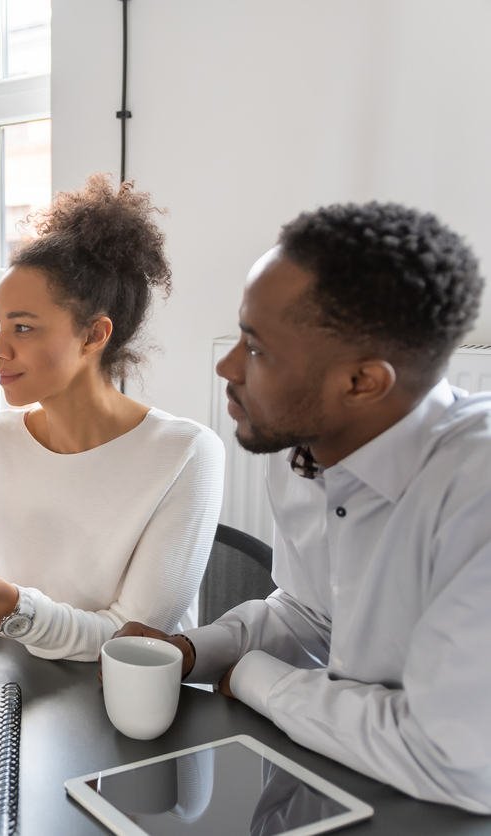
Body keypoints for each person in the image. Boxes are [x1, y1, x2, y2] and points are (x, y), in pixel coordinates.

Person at [112, 201, 491, 812]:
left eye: (257, 350)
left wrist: (259, 679)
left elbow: (455, 760)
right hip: (328, 784)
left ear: (362, 382)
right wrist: (191, 652)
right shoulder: (302, 451)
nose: (226, 366)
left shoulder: (477, 493)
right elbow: (312, 614)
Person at [0, 174, 224, 660]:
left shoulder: (185, 453)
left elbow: (133, 645)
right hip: (20, 691)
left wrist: (4, 603)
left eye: (22, 327)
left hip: (124, 709)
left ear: (93, 336)